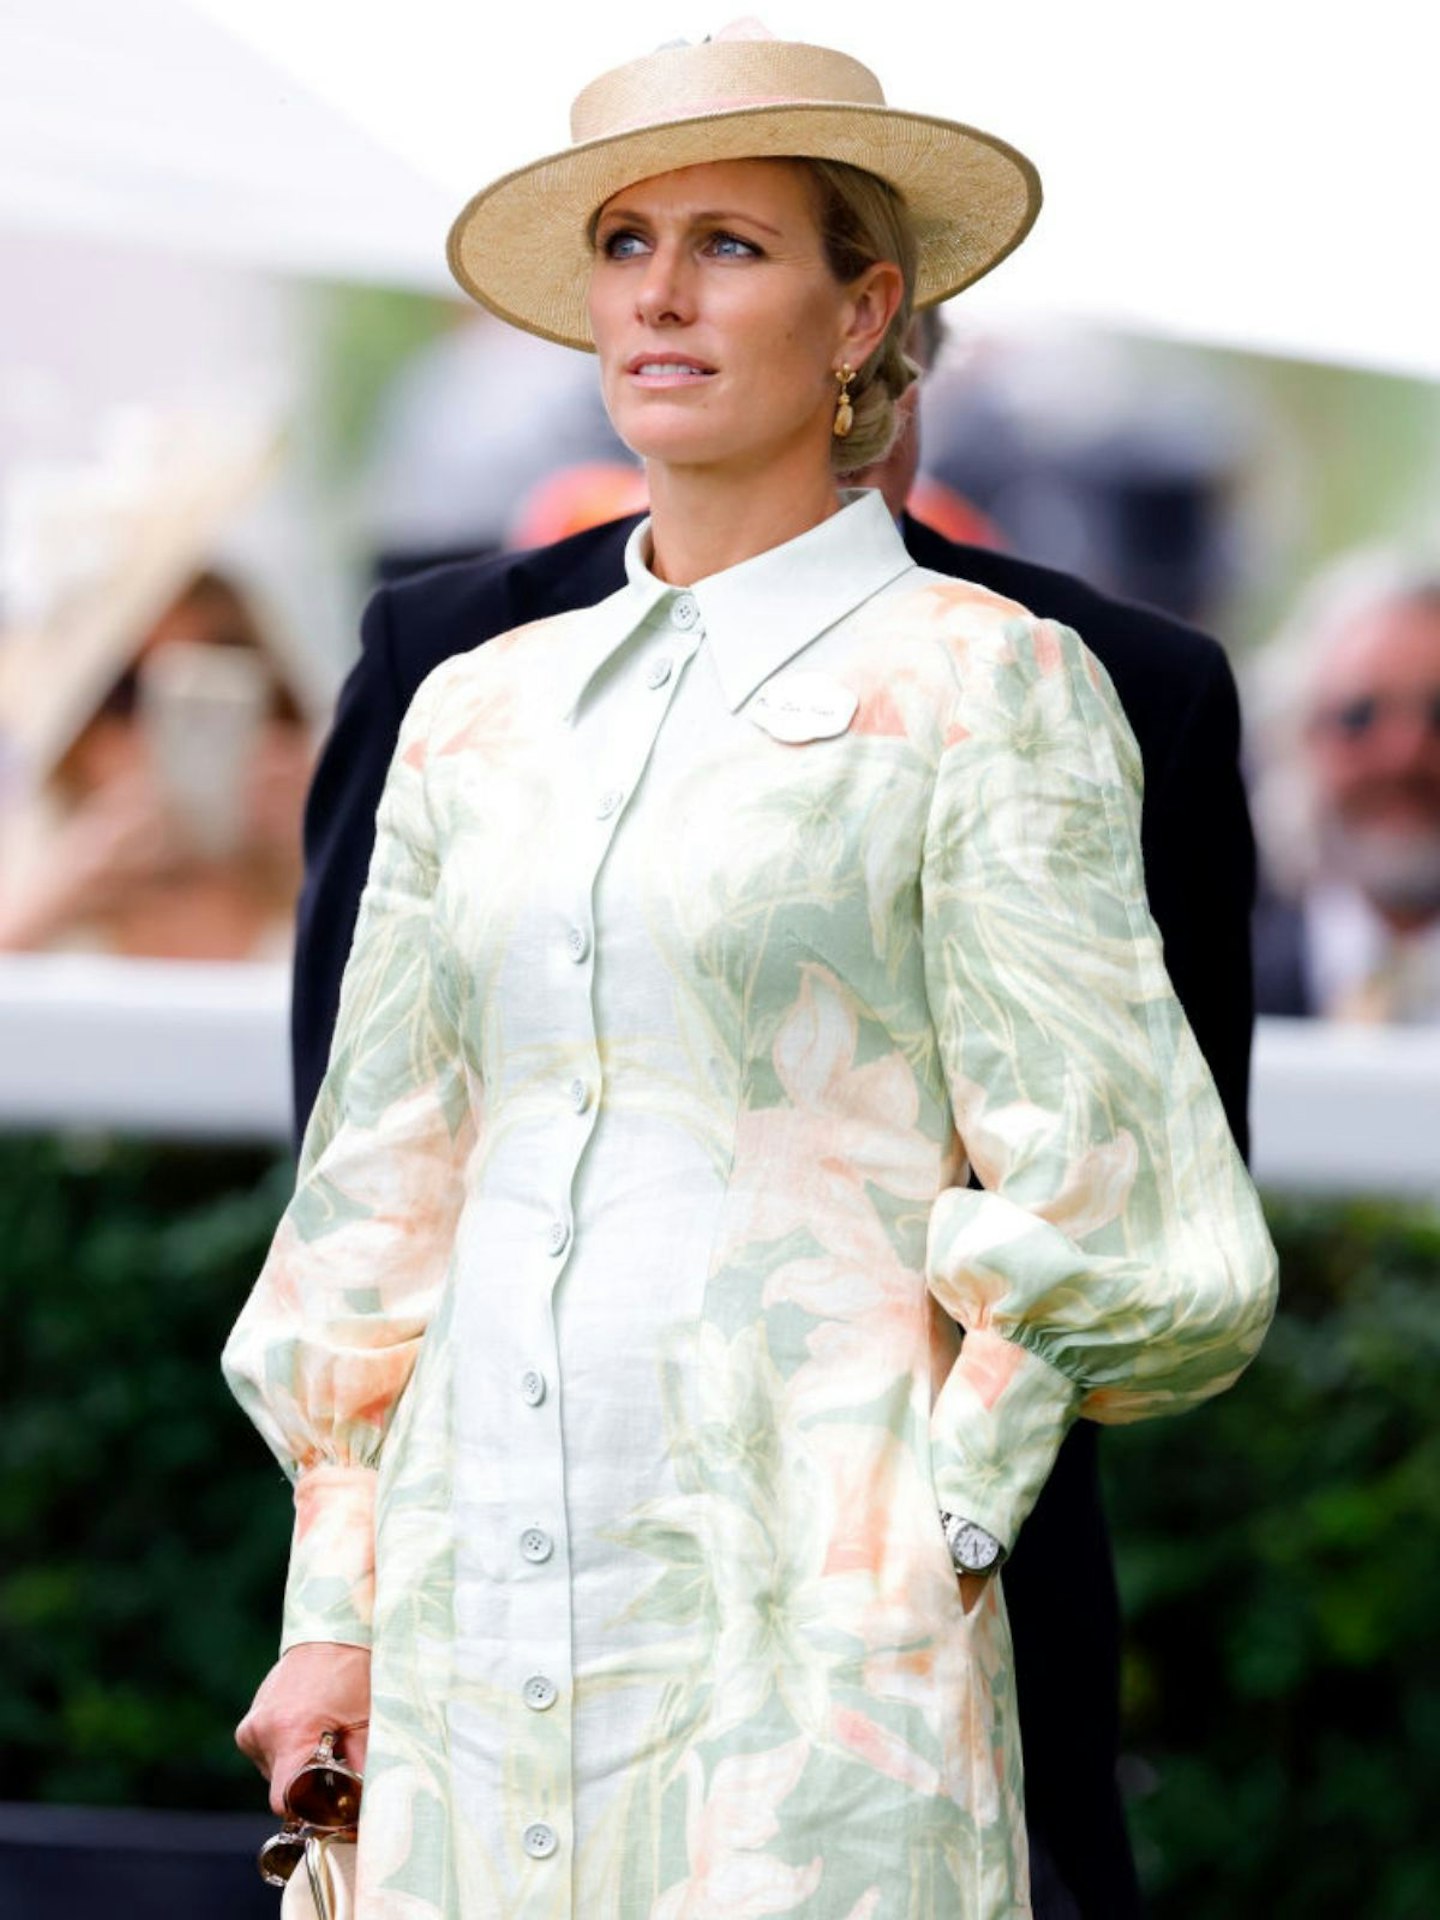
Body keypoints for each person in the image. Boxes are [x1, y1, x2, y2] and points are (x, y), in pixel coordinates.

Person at [224, 27, 1277, 1919]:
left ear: (867, 309)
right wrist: (333, 1615)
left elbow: (1137, 1207)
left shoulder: (995, 686)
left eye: (730, 245)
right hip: (472, 1616)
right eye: (627, 246)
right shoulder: (474, 712)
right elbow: (374, 1208)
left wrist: (932, 1521)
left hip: (820, 1645)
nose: (661, 297)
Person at [1250, 553, 1440, 1022]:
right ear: (1301, 736)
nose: (1404, 754)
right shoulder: (1206, 981)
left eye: (1439, 715)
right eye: (1360, 717)